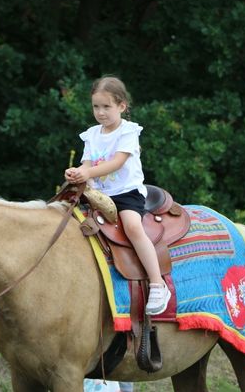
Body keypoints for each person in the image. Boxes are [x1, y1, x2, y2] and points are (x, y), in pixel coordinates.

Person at [65, 76, 170, 315]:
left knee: (132, 227)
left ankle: (157, 283)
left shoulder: (128, 132)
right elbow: (87, 163)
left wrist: (88, 172)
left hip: (126, 193)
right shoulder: (91, 134)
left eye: (106, 107)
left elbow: (117, 162)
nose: (100, 113)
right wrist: (75, 173)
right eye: (96, 107)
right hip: (97, 194)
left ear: (122, 106)